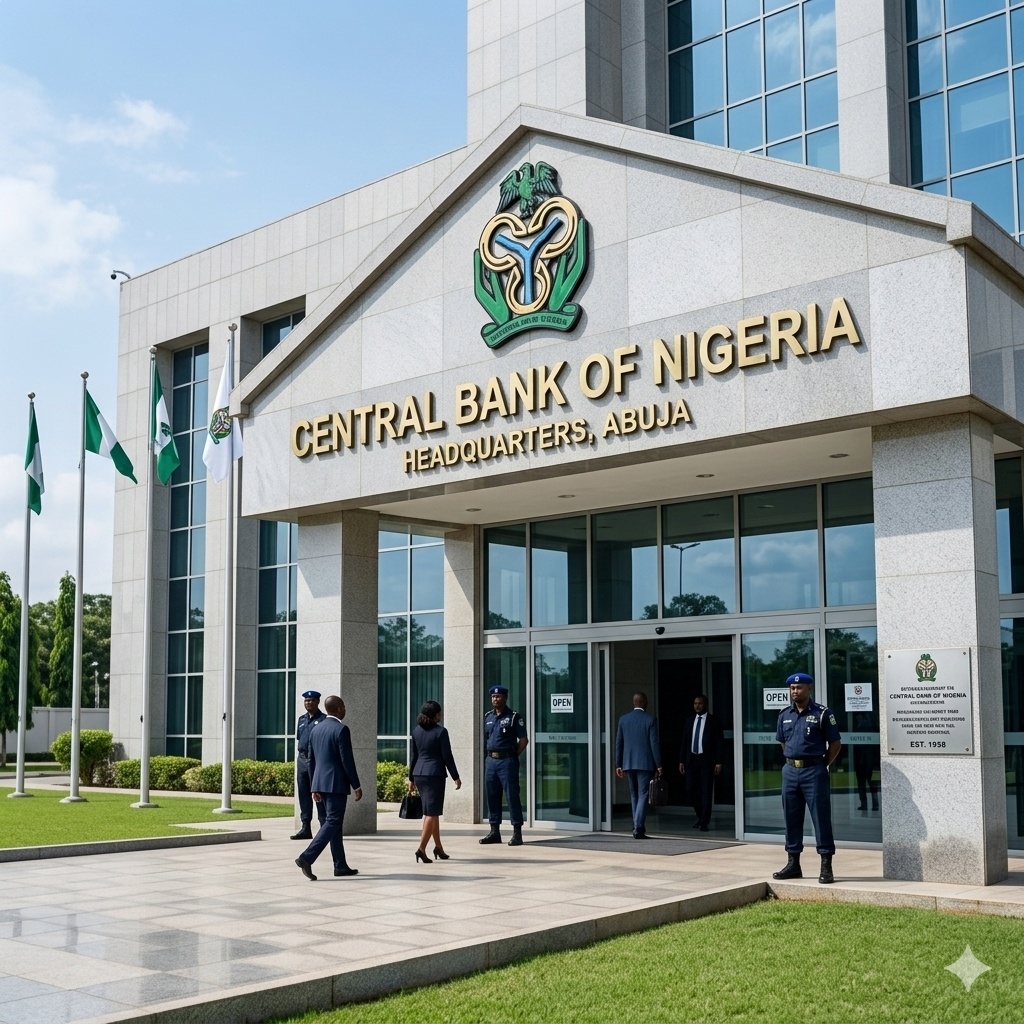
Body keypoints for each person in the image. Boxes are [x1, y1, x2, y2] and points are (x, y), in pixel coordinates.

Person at [772, 672, 842, 884]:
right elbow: (783, 743)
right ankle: (793, 864)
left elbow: (836, 744)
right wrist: (794, 761)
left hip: (814, 771)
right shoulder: (784, 715)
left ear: (809, 689)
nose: (795, 691)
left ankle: (826, 865)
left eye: (799, 688)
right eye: (792, 688)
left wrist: (822, 765)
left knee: (820, 818)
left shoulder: (822, 713)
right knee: (791, 819)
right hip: (790, 771)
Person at [294, 695, 362, 881]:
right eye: (344, 707)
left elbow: (311, 761)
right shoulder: (341, 730)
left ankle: (340, 865)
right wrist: (356, 785)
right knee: (333, 822)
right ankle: (307, 857)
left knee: (333, 824)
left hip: (320, 785)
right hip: (335, 785)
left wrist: (314, 786)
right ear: (339, 709)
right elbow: (347, 761)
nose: (345, 710)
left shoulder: (316, 729)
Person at [408, 700, 462, 863]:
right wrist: (456, 776)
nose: (442, 715)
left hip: (419, 774)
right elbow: (447, 757)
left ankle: (438, 847)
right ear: (435, 715)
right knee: (431, 813)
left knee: (432, 812)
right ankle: (421, 849)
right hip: (434, 775)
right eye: (440, 712)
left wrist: (411, 778)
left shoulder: (416, 731)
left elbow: (413, 757)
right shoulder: (441, 732)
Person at [479, 685, 528, 846]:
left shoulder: (514, 717)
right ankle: (494, 831)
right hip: (491, 761)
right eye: (493, 697)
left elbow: (523, 740)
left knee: (512, 796)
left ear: (505, 697)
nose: (495, 699)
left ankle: (517, 833)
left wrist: (513, 755)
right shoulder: (488, 717)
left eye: (499, 696)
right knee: (492, 796)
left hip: (507, 761)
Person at [614, 692, 662, 839]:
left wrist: (618, 764)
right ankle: (638, 827)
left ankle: (636, 825)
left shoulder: (623, 719)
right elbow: (654, 743)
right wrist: (659, 764)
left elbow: (619, 743)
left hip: (628, 763)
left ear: (634, 703)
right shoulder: (650, 719)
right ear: (644, 702)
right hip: (645, 763)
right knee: (643, 794)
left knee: (634, 795)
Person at [678, 694, 724, 832]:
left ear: (706, 705)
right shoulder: (689, 721)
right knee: (690, 789)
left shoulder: (714, 721)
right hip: (692, 760)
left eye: (700, 703)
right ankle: (700, 815)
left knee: (706, 792)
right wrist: (681, 760)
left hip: (707, 761)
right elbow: (685, 742)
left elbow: (719, 742)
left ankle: (704, 821)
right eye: (695, 703)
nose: (697, 706)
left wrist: (719, 762)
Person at [291, 690, 326, 841]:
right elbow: (301, 740)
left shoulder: (323, 719)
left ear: (318, 702)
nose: (308, 703)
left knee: (318, 793)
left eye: (311, 700)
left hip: (316, 761)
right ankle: (306, 827)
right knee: (304, 793)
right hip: (302, 759)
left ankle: (324, 826)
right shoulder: (301, 720)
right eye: (306, 701)